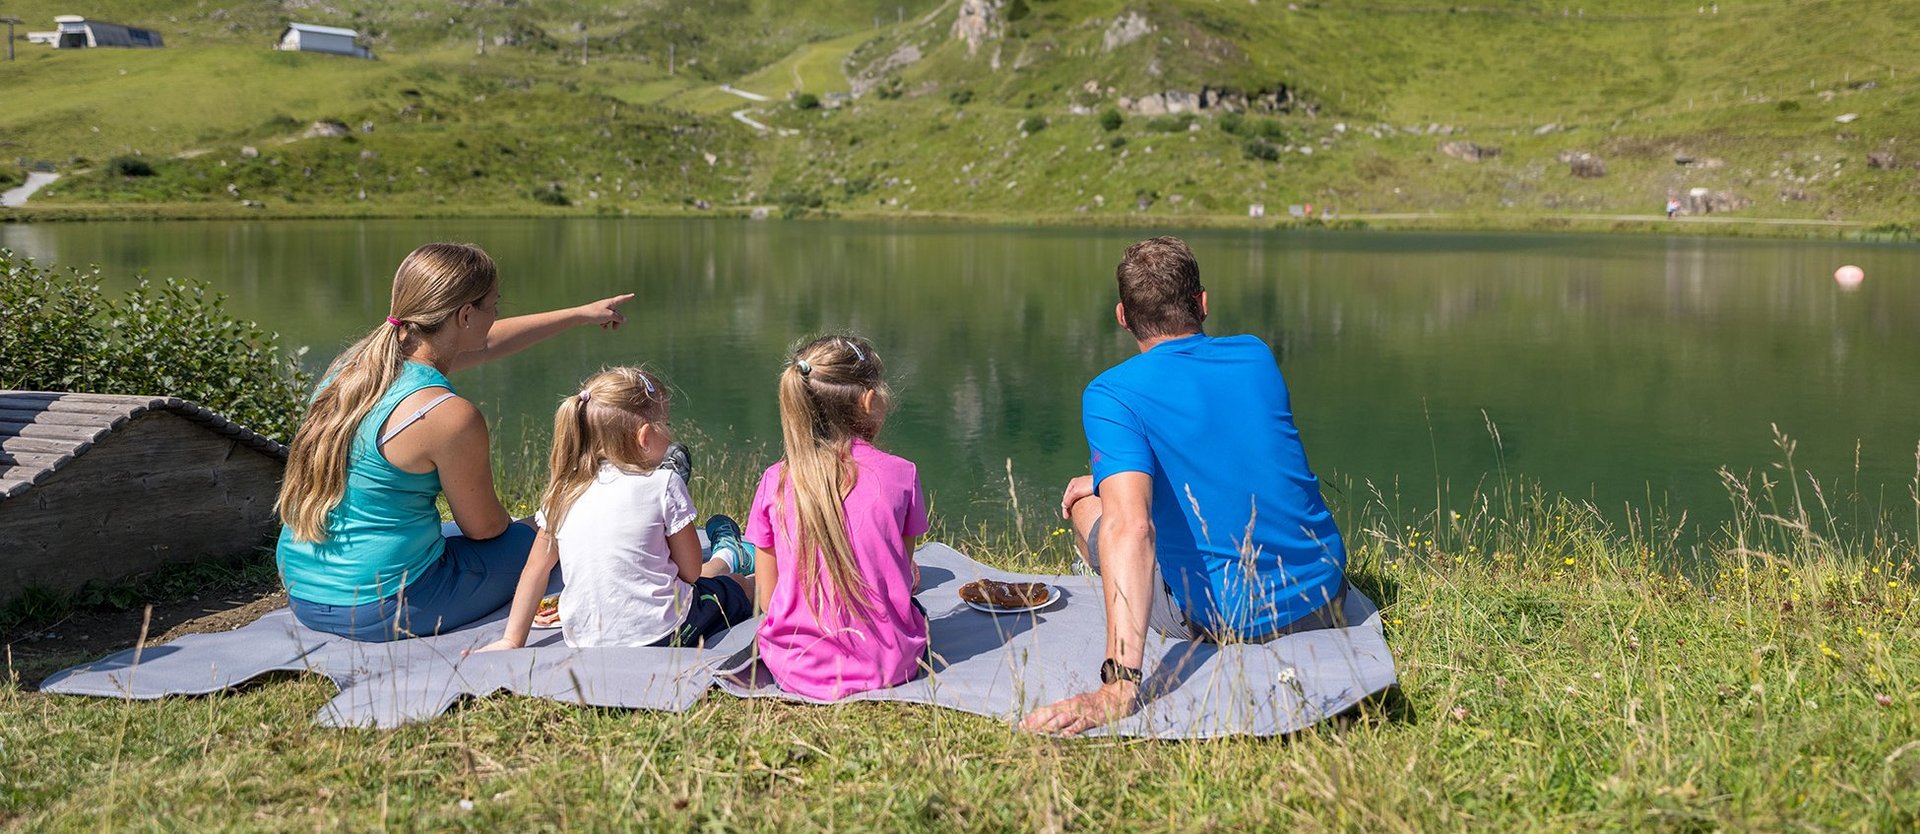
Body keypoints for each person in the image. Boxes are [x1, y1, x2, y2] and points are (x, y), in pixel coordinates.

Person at [1021, 236, 1349, 736]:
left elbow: (1131, 527)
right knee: (1112, 489)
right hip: (1324, 594)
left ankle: (1119, 602)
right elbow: (1225, 446)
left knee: (1091, 505)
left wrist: (1119, 684)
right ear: (1202, 303)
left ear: (1123, 317)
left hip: (1231, 620)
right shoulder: (1256, 355)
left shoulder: (1113, 393)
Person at [275, 242, 633, 642]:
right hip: (381, 607)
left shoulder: (354, 368)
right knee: (540, 539)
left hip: (302, 590)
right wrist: (539, 524)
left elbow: (492, 341)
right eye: (494, 305)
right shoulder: (447, 416)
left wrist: (579, 315)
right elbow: (485, 529)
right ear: (465, 315)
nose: (497, 315)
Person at [471, 367, 755, 652]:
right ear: (644, 437)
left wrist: (511, 640)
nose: (671, 434)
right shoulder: (663, 482)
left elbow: (535, 570)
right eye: (666, 424)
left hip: (583, 640)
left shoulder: (563, 491)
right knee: (739, 586)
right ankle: (731, 558)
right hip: (665, 631)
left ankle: (729, 555)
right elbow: (691, 573)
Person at [742, 335, 930, 700]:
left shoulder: (774, 481)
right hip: (889, 665)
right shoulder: (901, 474)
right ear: (869, 400)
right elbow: (903, 577)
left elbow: (766, 599)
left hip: (794, 667)